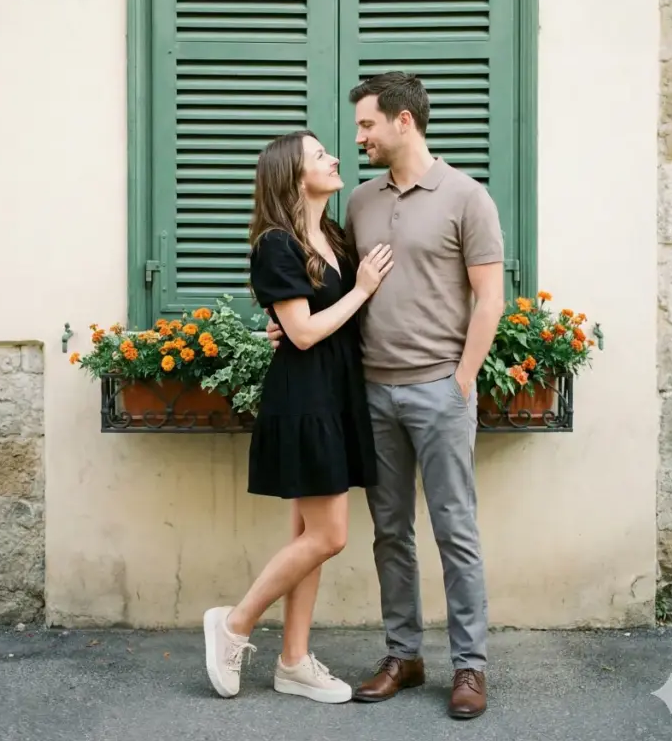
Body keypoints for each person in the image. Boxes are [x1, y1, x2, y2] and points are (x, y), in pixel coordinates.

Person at [266, 73, 504, 719]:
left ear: (404, 122)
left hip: (438, 391)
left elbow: (489, 298)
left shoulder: (465, 197)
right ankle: (403, 654)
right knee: (389, 533)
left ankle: (469, 667)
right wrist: (283, 321)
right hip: (371, 394)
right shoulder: (361, 203)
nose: (358, 136)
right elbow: (328, 283)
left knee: (455, 530)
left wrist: (461, 381)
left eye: (367, 124)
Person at [203, 129, 393, 705]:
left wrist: (317, 309)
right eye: (319, 155)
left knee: (308, 536)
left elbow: (305, 320)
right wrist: (360, 291)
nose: (335, 157)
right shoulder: (276, 244)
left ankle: (293, 661)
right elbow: (306, 332)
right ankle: (234, 625)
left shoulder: (332, 235)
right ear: (293, 174)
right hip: (305, 398)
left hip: (334, 394)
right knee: (330, 536)